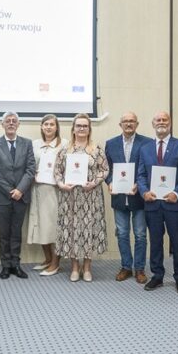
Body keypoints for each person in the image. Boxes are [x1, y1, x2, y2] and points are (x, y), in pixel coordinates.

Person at [136, 111, 178, 294]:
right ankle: (157, 275)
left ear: (170, 123)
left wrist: (177, 193)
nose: (161, 122)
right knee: (155, 241)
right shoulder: (144, 148)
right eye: (158, 120)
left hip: (175, 204)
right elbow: (141, 175)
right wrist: (144, 192)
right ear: (153, 124)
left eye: (164, 120)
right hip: (152, 204)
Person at [54, 113, 109, 281]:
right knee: (72, 230)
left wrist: (94, 182)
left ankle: (87, 268)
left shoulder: (96, 148)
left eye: (85, 126)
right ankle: (74, 267)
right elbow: (57, 171)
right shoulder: (65, 149)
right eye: (78, 125)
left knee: (88, 229)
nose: (82, 128)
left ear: (89, 129)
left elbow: (105, 170)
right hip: (70, 197)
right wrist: (61, 184)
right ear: (73, 129)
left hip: (90, 196)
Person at [104, 112, 152, 283]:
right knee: (122, 233)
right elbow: (107, 169)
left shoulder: (147, 143)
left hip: (138, 196)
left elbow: (149, 169)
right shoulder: (111, 144)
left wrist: (140, 185)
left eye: (132, 121)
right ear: (120, 125)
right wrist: (110, 182)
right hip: (119, 197)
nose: (129, 124)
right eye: (125, 121)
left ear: (137, 124)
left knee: (140, 234)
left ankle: (139, 268)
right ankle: (126, 266)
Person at [0, 112, 37, 278]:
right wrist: (11, 191)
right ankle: (5, 266)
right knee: (4, 234)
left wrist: (20, 190)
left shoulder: (27, 143)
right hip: (3, 197)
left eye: (14, 121)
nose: (11, 123)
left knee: (16, 232)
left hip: (21, 196)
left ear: (18, 124)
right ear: (2, 124)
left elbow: (31, 169)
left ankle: (16, 264)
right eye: (7, 121)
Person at [30, 114, 66, 276]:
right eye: (46, 124)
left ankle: (55, 263)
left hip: (55, 191)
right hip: (37, 189)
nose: (49, 127)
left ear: (56, 127)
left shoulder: (64, 144)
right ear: (41, 127)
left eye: (52, 124)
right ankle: (48, 259)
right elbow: (30, 164)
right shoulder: (35, 144)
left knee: (53, 226)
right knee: (40, 225)